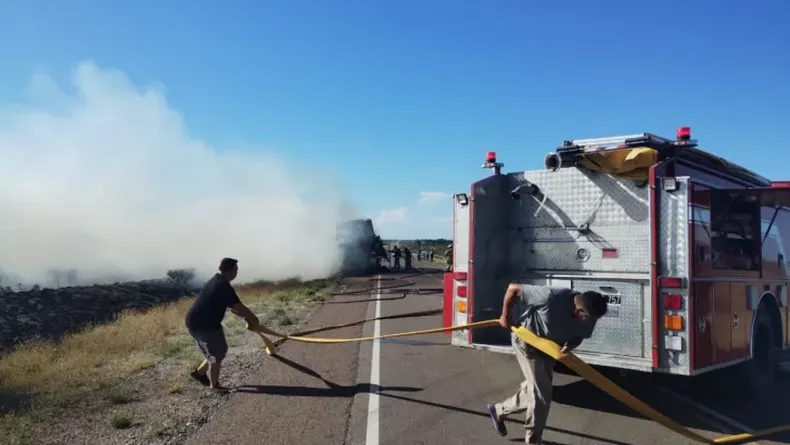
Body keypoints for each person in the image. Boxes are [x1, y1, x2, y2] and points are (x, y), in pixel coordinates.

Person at [487, 283, 608, 444]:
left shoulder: (590, 314)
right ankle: (533, 439)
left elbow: (580, 335)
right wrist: (506, 316)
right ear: (579, 312)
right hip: (527, 344)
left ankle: (499, 410)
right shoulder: (551, 297)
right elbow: (513, 289)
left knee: (536, 389)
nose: (592, 322)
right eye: (589, 318)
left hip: (549, 349)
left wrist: (570, 345)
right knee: (541, 396)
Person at [185, 257, 261, 392]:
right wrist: (253, 318)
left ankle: (199, 373)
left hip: (206, 322)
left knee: (220, 350)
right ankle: (215, 386)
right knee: (216, 355)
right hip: (202, 325)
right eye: (236, 269)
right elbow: (239, 307)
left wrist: (245, 318)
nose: (237, 272)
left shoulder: (218, 280)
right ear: (230, 270)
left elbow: (233, 307)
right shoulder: (222, 286)